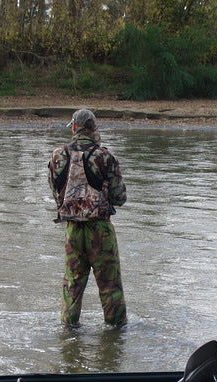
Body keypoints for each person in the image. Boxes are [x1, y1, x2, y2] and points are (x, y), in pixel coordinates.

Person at [48, 109, 127, 327]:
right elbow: (120, 197)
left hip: (72, 231)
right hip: (100, 231)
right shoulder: (105, 156)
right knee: (110, 288)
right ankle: (114, 341)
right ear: (93, 128)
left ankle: (68, 337)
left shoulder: (57, 156)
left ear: (74, 127)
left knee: (71, 287)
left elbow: (56, 194)